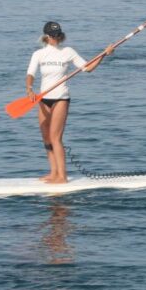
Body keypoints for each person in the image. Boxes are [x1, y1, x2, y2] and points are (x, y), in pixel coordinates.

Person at [25, 21, 113, 184]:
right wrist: (30, 88)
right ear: (46, 37)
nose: (55, 38)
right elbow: (30, 73)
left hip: (61, 98)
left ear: (60, 35)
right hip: (43, 98)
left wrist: (104, 54)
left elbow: (87, 68)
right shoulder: (38, 54)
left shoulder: (68, 51)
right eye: (52, 36)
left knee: (55, 137)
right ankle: (53, 172)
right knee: (46, 138)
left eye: (57, 35)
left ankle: (62, 176)